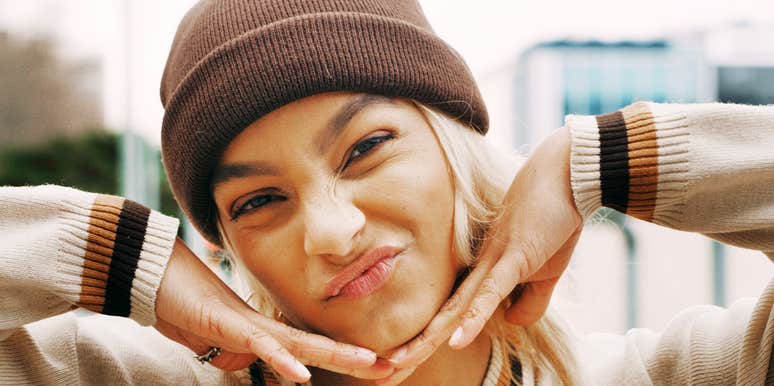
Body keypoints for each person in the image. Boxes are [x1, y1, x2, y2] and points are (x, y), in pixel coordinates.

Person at [1, 2, 773, 386]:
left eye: (366, 148)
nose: (331, 232)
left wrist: (604, 161)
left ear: (453, 147)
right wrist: (117, 254)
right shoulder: (122, 376)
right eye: (257, 202)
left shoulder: (675, 373)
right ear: (224, 249)